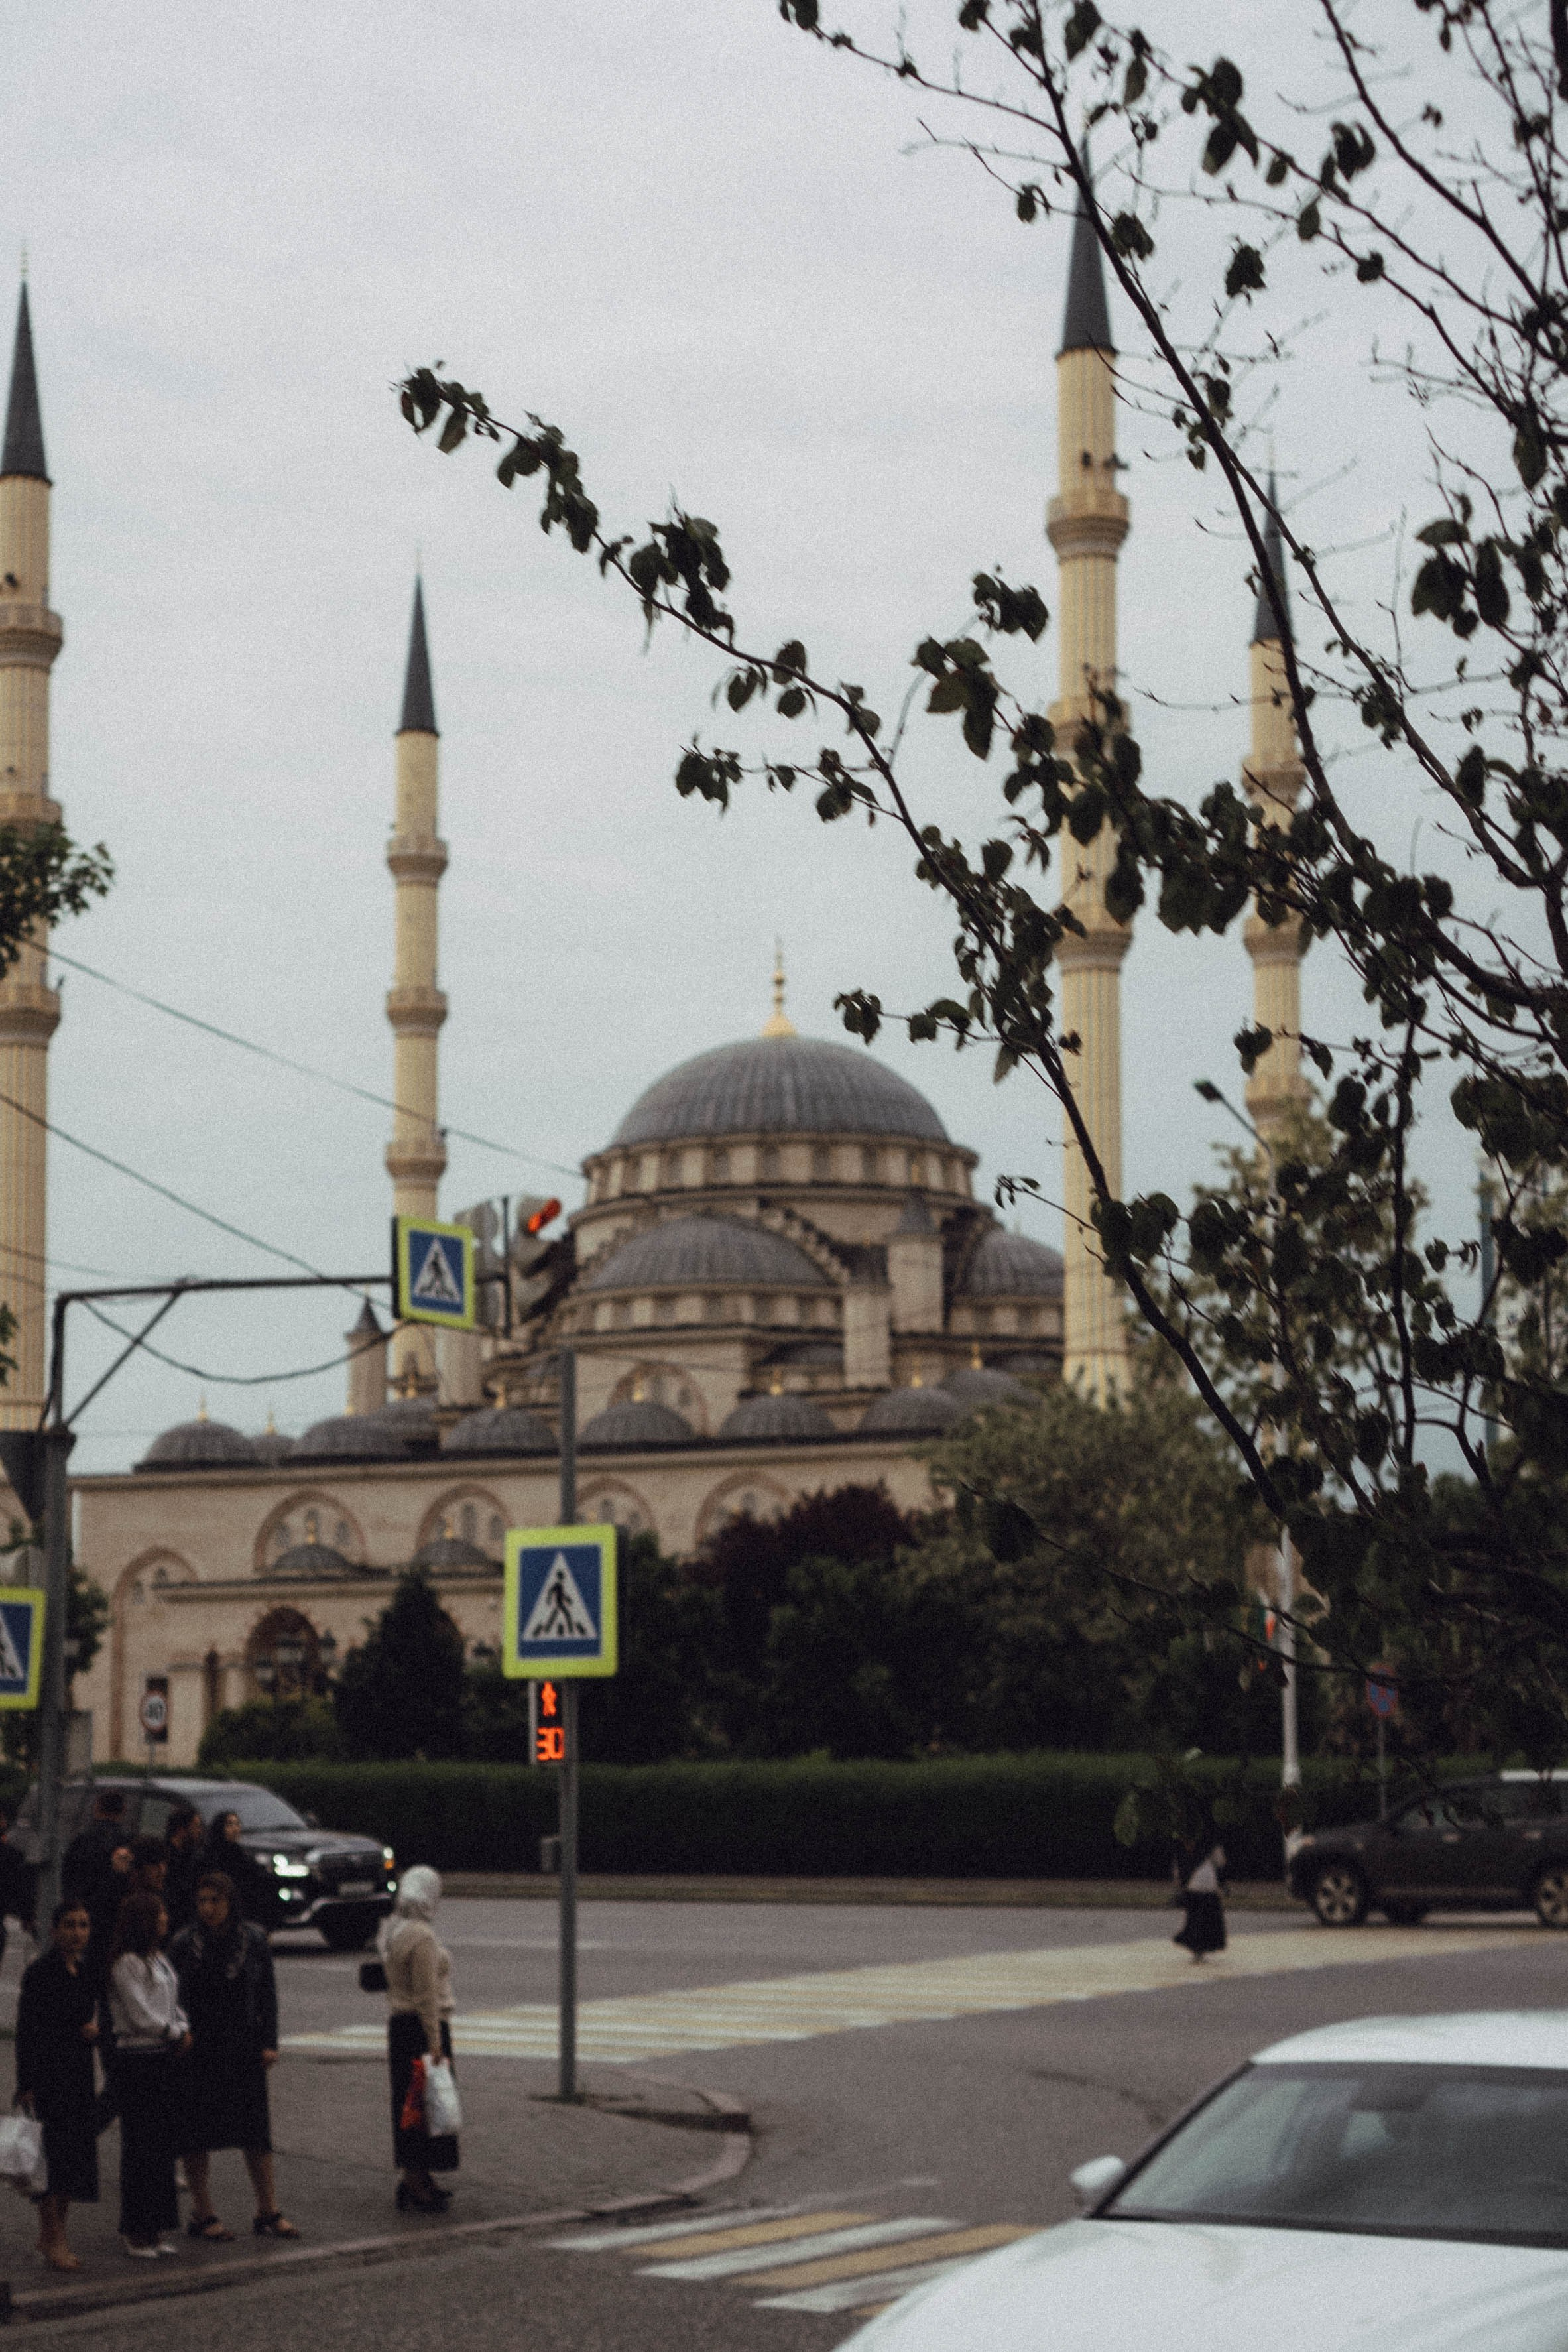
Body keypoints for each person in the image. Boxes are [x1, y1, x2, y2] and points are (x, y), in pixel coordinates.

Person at [169, 1872, 297, 2242]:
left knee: (256, 2132)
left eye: (216, 1901)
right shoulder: (185, 1942)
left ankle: (268, 2209)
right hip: (199, 2047)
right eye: (203, 1901)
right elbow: (172, 1994)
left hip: (243, 2044)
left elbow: (267, 1994)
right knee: (197, 2133)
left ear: (230, 1902)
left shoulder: (253, 1939)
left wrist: (269, 2040)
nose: (208, 1909)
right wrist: (180, 2034)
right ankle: (203, 2210)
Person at [14, 1900, 99, 2272]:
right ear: (54, 1930)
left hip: (78, 2075)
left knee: (72, 2161)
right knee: (51, 2162)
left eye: (82, 1925)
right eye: (69, 1925)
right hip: (49, 2077)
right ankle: (54, 2236)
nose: (77, 1932)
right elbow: (29, 2030)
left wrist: (92, 2033)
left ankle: (54, 2233)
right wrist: (26, 2083)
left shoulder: (84, 1970)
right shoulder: (40, 1973)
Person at [105, 1890, 189, 2258]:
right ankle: (136, 2229)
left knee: (162, 2146)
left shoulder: (159, 1959)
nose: (166, 1919)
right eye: (159, 1914)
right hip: (137, 2058)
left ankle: (156, 2227)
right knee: (141, 2146)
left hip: (163, 2055)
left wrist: (182, 2025)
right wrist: (173, 2032)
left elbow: (172, 2001)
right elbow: (139, 2014)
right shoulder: (126, 1964)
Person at [381, 1867, 457, 2212]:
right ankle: (416, 2183)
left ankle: (418, 2177)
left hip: (400, 2028)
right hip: (422, 2029)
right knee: (427, 2107)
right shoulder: (422, 1936)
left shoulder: (393, 1930)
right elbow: (426, 1995)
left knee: (410, 2107)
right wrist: (436, 2044)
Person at [198, 1812, 272, 1927]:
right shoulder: (210, 1855)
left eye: (237, 1825)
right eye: (230, 1825)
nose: (235, 1829)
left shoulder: (241, 1854)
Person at [1173, 1826, 1229, 1963]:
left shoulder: (1188, 1844)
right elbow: (1220, 1863)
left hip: (1197, 1887)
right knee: (1205, 1920)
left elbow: (1180, 1868)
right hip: (1206, 1886)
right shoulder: (1212, 1844)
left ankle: (1197, 1947)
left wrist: (1180, 1884)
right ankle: (1201, 1947)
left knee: (1196, 1920)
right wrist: (1223, 1884)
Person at [163, 1808, 204, 1935]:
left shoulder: (193, 1857)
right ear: (181, 1830)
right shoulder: (165, 1856)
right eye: (196, 1826)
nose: (199, 1831)